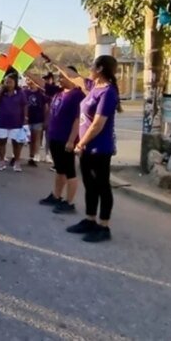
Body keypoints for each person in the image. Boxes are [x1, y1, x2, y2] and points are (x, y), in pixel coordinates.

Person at [65, 55, 122, 243]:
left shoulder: (108, 92)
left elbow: (98, 124)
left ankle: (103, 226)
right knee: (90, 185)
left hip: (100, 148)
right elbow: (73, 76)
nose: (89, 68)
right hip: (87, 148)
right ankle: (90, 220)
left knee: (102, 186)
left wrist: (81, 143)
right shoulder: (93, 87)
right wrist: (50, 61)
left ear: (99, 69)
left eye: (92, 66)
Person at [34, 66, 85, 214]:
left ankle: (69, 202)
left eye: (62, 76)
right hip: (55, 137)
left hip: (66, 139)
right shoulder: (58, 92)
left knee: (70, 171)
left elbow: (77, 120)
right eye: (59, 76)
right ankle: (56, 196)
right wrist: (26, 72)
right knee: (59, 169)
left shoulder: (78, 96)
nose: (59, 79)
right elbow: (41, 84)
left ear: (72, 77)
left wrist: (71, 140)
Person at [0, 74, 27, 172]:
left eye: (10, 82)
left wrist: (25, 118)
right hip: (2, 121)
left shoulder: (20, 93)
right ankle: (2, 161)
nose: (8, 84)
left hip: (16, 122)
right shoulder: (1, 93)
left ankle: (17, 162)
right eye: (6, 82)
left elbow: (24, 105)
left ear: (15, 83)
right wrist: (0, 91)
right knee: (2, 142)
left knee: (16, 143)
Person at [24, 77, 48, 166]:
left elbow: (46, 108)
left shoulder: (41, 93)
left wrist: (46, 120)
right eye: (28, 80)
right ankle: (17, 156)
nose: (30, 82)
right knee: (27, 139)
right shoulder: (25, 92)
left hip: (38, 119)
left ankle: (33, 156)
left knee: (36, 138)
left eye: (31, 80)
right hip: (26, 120)